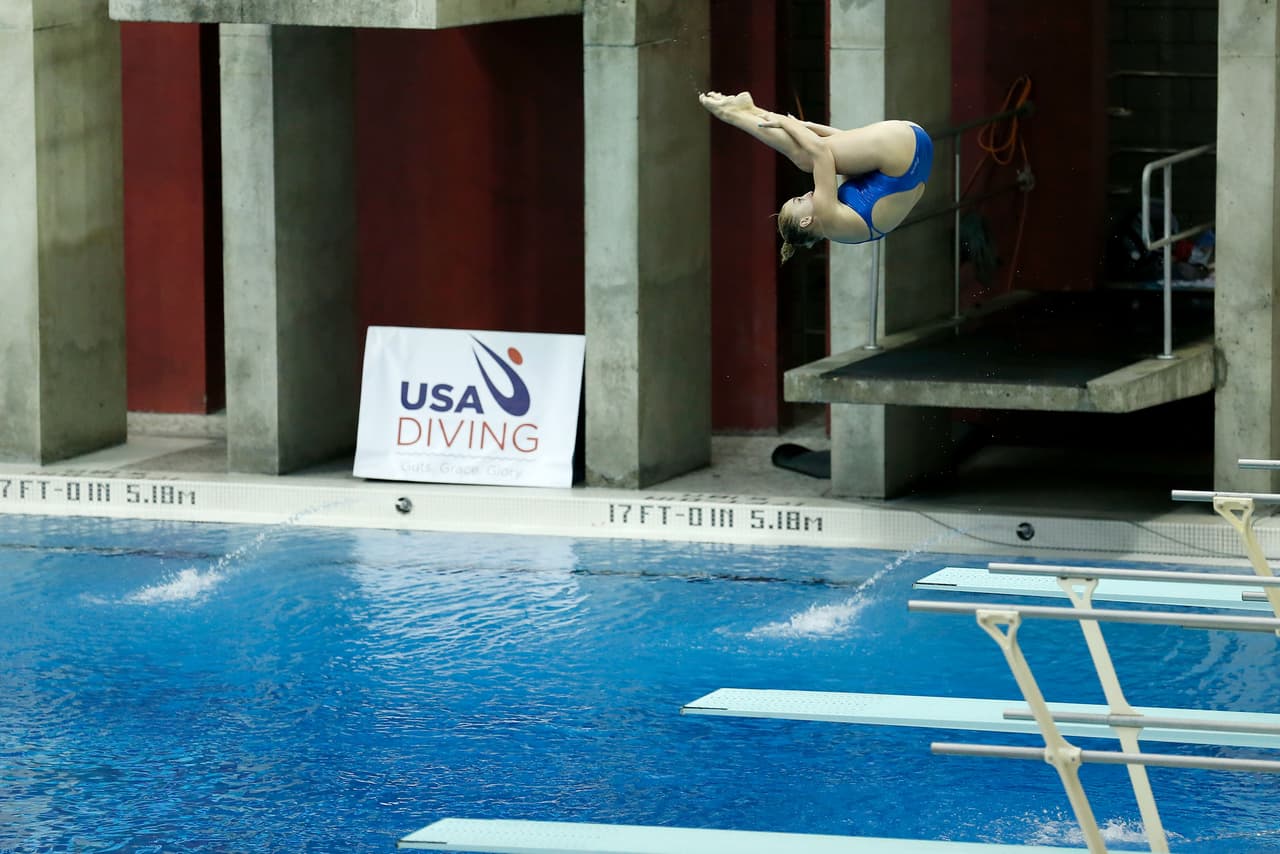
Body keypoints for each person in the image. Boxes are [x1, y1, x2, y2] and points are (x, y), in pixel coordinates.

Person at [699, 91, 933, 264]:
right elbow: (820, 152)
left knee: (808, 149)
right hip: (904, 148)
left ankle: (748, 110)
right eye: (800, 201)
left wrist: (805, 125)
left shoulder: (845, 222)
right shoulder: (828, 218)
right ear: (805, 221)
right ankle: (730, 114)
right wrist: (784, 121)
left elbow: (844, 143)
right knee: (805, 159)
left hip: (915, 149)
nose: (807, 193)